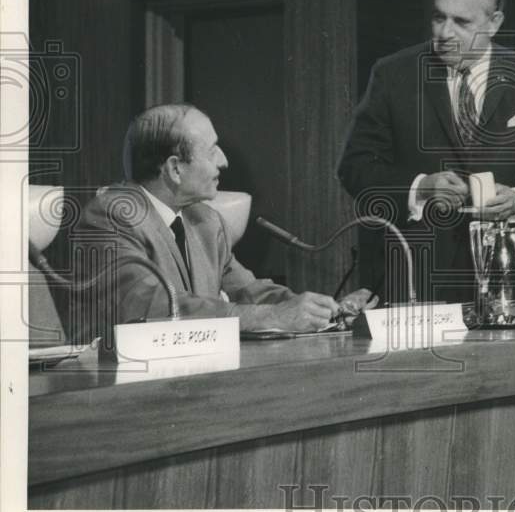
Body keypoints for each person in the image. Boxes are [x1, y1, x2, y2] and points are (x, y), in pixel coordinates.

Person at [337, 0, 515, 302]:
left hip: (503, 279)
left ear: (494, 23)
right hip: (413, 279)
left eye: (461, 22)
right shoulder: (394, 75)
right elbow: (354, 166)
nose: (445, 33)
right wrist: (420, 187)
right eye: (439, 17)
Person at [78, 103, 371, 337]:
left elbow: (248, 291)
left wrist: (321, 309)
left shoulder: (205, 220)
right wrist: (274, 316)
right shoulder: (110, 216)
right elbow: (153, 308)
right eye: (211, 150)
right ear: (175, 169)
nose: (224, 161)